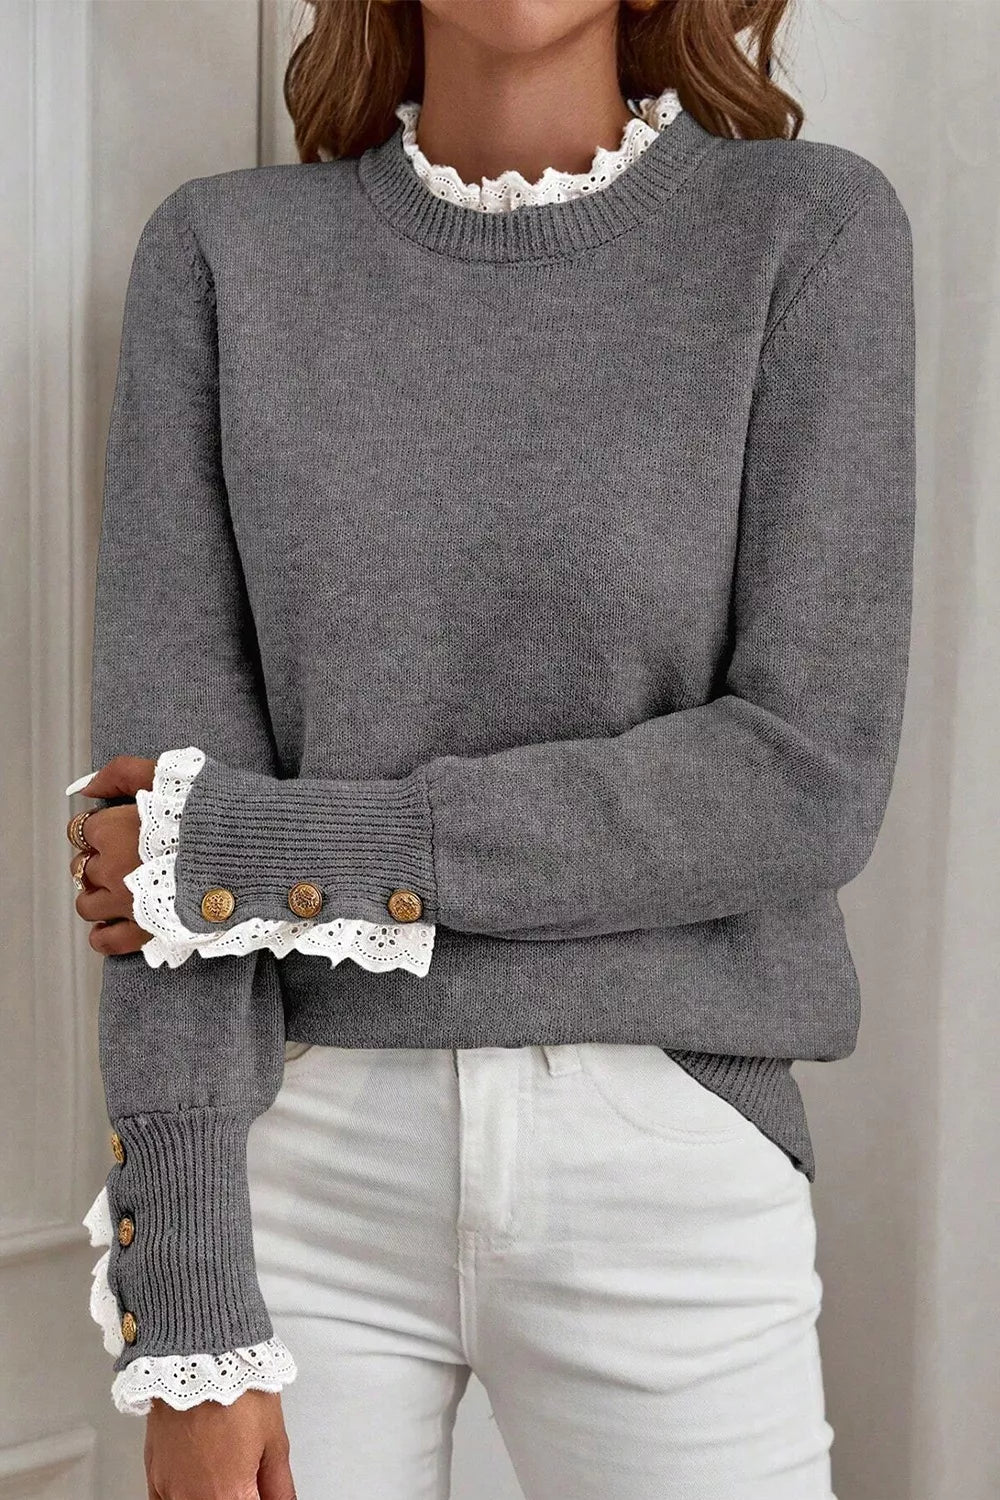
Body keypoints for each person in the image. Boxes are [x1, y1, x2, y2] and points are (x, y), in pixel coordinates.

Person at [64, 0, 916, 1495]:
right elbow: (160, 840)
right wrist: (185, 1309)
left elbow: (802, 777)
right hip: (302, 1163)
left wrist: (284, 852)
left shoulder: (807, 232)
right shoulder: (223, 257)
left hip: (668, 1148)